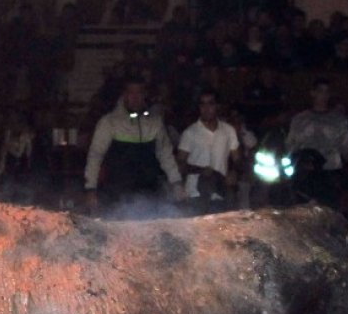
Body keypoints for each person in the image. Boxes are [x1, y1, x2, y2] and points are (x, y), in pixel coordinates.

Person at [84, 76, 183, 213]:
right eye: (131, 93)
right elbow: (95, 156)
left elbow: (165, 155)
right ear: (124, 95)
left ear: (144, 95)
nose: (135, 97)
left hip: (149, 195)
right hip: (117, 196)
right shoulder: (109, 122)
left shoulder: (155, 123)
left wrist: (176, 183)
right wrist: (90, 188)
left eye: (139, 92)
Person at [286, 78, 348, 207]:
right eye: (320, 91)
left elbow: (347, 150)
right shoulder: (300, 119)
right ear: (313, 93)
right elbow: (291, 147)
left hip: (329, 173)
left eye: (327, 92)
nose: (323, 95)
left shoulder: (338, 120)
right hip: (305, 174)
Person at [177, 89, 240, 213]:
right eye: (202, 104)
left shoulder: (228, 130)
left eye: (210, 104)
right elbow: (180, 164)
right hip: (195, 194)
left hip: (220, 193)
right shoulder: (190, 132)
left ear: (217, 106)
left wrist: (234, 172)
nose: (206, 108)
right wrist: (201, 170)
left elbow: (237, 158)